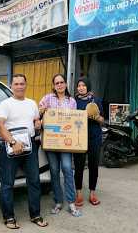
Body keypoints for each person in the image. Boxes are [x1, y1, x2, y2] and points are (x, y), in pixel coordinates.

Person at [0, 73, 49, 229]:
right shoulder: (5, 104)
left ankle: (36, 215)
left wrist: (38, 122)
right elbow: (0, 126)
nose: (19, 86)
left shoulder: (32, 103)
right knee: (7, 184)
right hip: (11, 146)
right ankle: (9, 218)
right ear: (11, 86)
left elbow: (35, 119)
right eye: (16, 84)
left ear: (26, 85)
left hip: (30, 147)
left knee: (34, 182)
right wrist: (13, 142)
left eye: (22, 84)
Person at [39, 74, 81, 217]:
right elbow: (39, 114)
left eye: (62, 82)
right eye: (57, 83)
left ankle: (71, 202)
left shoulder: (72, 101)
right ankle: (58, 201)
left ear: (65, 84)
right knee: (54, 171)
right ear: (54, 85)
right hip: (51, 142)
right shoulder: (47, 98)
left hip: (66, 142)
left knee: (68, 169)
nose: (59, 85)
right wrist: (42, 111)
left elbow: (75, 120)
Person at [73, 77, 104, 206]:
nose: (81, 88)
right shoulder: (73, 102)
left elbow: (102, 120)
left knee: (93, 165)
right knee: (79, 166)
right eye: (79, 86)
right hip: (79, 137)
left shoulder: (96, 100)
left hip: (94, 137)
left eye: (83, 85)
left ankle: (92, 193)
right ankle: (79, 193)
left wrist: (96, 117)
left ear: (88, 87)